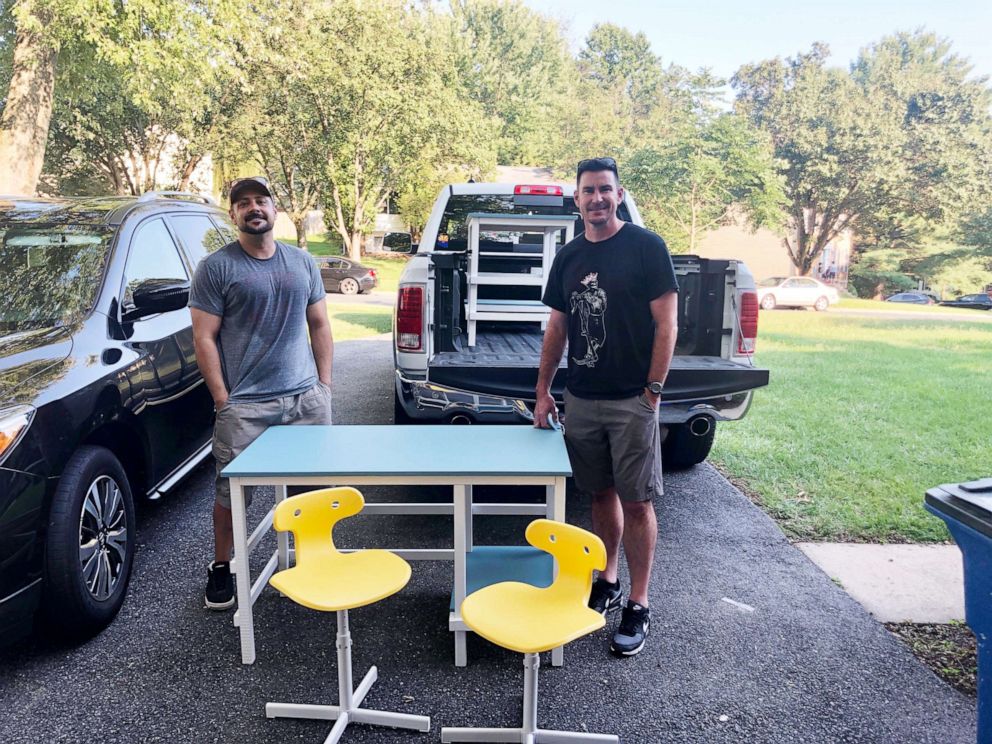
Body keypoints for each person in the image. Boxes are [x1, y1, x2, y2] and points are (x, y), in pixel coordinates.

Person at [534, 157, 679, 657]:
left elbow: (667, 325)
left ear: (618, 196)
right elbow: (557, 329)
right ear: (576, 200)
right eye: (587, 191)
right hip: (582, 399)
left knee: (637, 501)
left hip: (632, 400)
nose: (596, 198)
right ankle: (608, 578)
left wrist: (653, 392)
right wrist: (544, 391)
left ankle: (639, 602)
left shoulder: (646, 247)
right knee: (598, 495)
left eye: (605, 190)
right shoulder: (569, 257)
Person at [189, 177, 334, 610]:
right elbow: (204, 338)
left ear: (275, 210)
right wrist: (221, 399)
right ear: (233, 214)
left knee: (311, 491)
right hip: (246, 407)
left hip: (305, 399)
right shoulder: (217, 268)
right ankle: (221, 567)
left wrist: (324, 386)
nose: (254, 208)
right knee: (231, 492)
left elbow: (320, 325)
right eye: (244, 203)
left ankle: (313, 561)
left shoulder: (303, 262)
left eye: (261, 201)